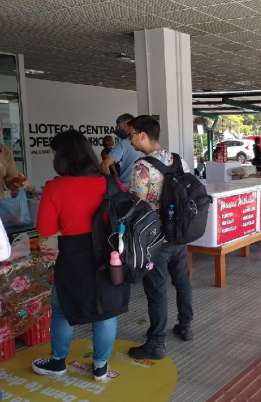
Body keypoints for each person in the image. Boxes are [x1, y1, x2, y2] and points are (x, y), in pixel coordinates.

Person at [32, 130, 130, 381]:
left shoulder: (55, 187)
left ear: (62, 158)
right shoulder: (109, 181)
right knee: (105, 311)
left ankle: (57, 362)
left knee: (63, 308)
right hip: (110, 256)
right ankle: (100, 368)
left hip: (73, 255)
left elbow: (45, 229)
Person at [127, 116, 194, 360]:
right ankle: (185, 326)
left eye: (132, 134)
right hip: (179, 232)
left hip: (155, 238)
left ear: (143, 135)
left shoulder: (141, 167)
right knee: (182, 280)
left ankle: (156, 342)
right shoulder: (178, 160)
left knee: (156, 288)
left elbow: (137, 204)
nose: (130, 139)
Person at [100, 113, 143, 189]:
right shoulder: (145, 140)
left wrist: (111, 182)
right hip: (144, 187)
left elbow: (105, 165)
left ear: (127, 125)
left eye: (120, 127)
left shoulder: (123, 143)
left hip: (126, 188)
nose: (118, 130)